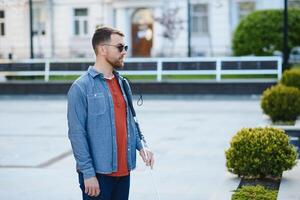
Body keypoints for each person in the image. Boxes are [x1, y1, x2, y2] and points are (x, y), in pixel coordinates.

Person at [67, 26, 154, 200]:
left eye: (125, 48)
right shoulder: (80, 87)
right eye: (120, 47)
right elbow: (77, 135)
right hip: (98, 176)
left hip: (124, 173)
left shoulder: (123, 84)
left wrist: (142, 145)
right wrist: (88, 173)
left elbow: (131, 122)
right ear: (102, 49)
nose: (124, 52)